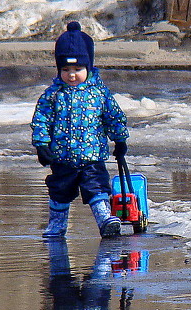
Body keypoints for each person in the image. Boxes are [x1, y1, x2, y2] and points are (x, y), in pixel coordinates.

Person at [31, 21, 129, 238]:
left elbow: (113, 116)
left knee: (97, 188)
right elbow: (41, 120)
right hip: (62, 157)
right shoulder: (52, 95)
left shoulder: (99, 93)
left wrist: (120, 140)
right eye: (66, 69)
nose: (72, 75)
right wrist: (41, 144)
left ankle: (105, 219)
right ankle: (57, 225)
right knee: (59, 191)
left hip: (92, 156)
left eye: (78, 69)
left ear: (89, 67)